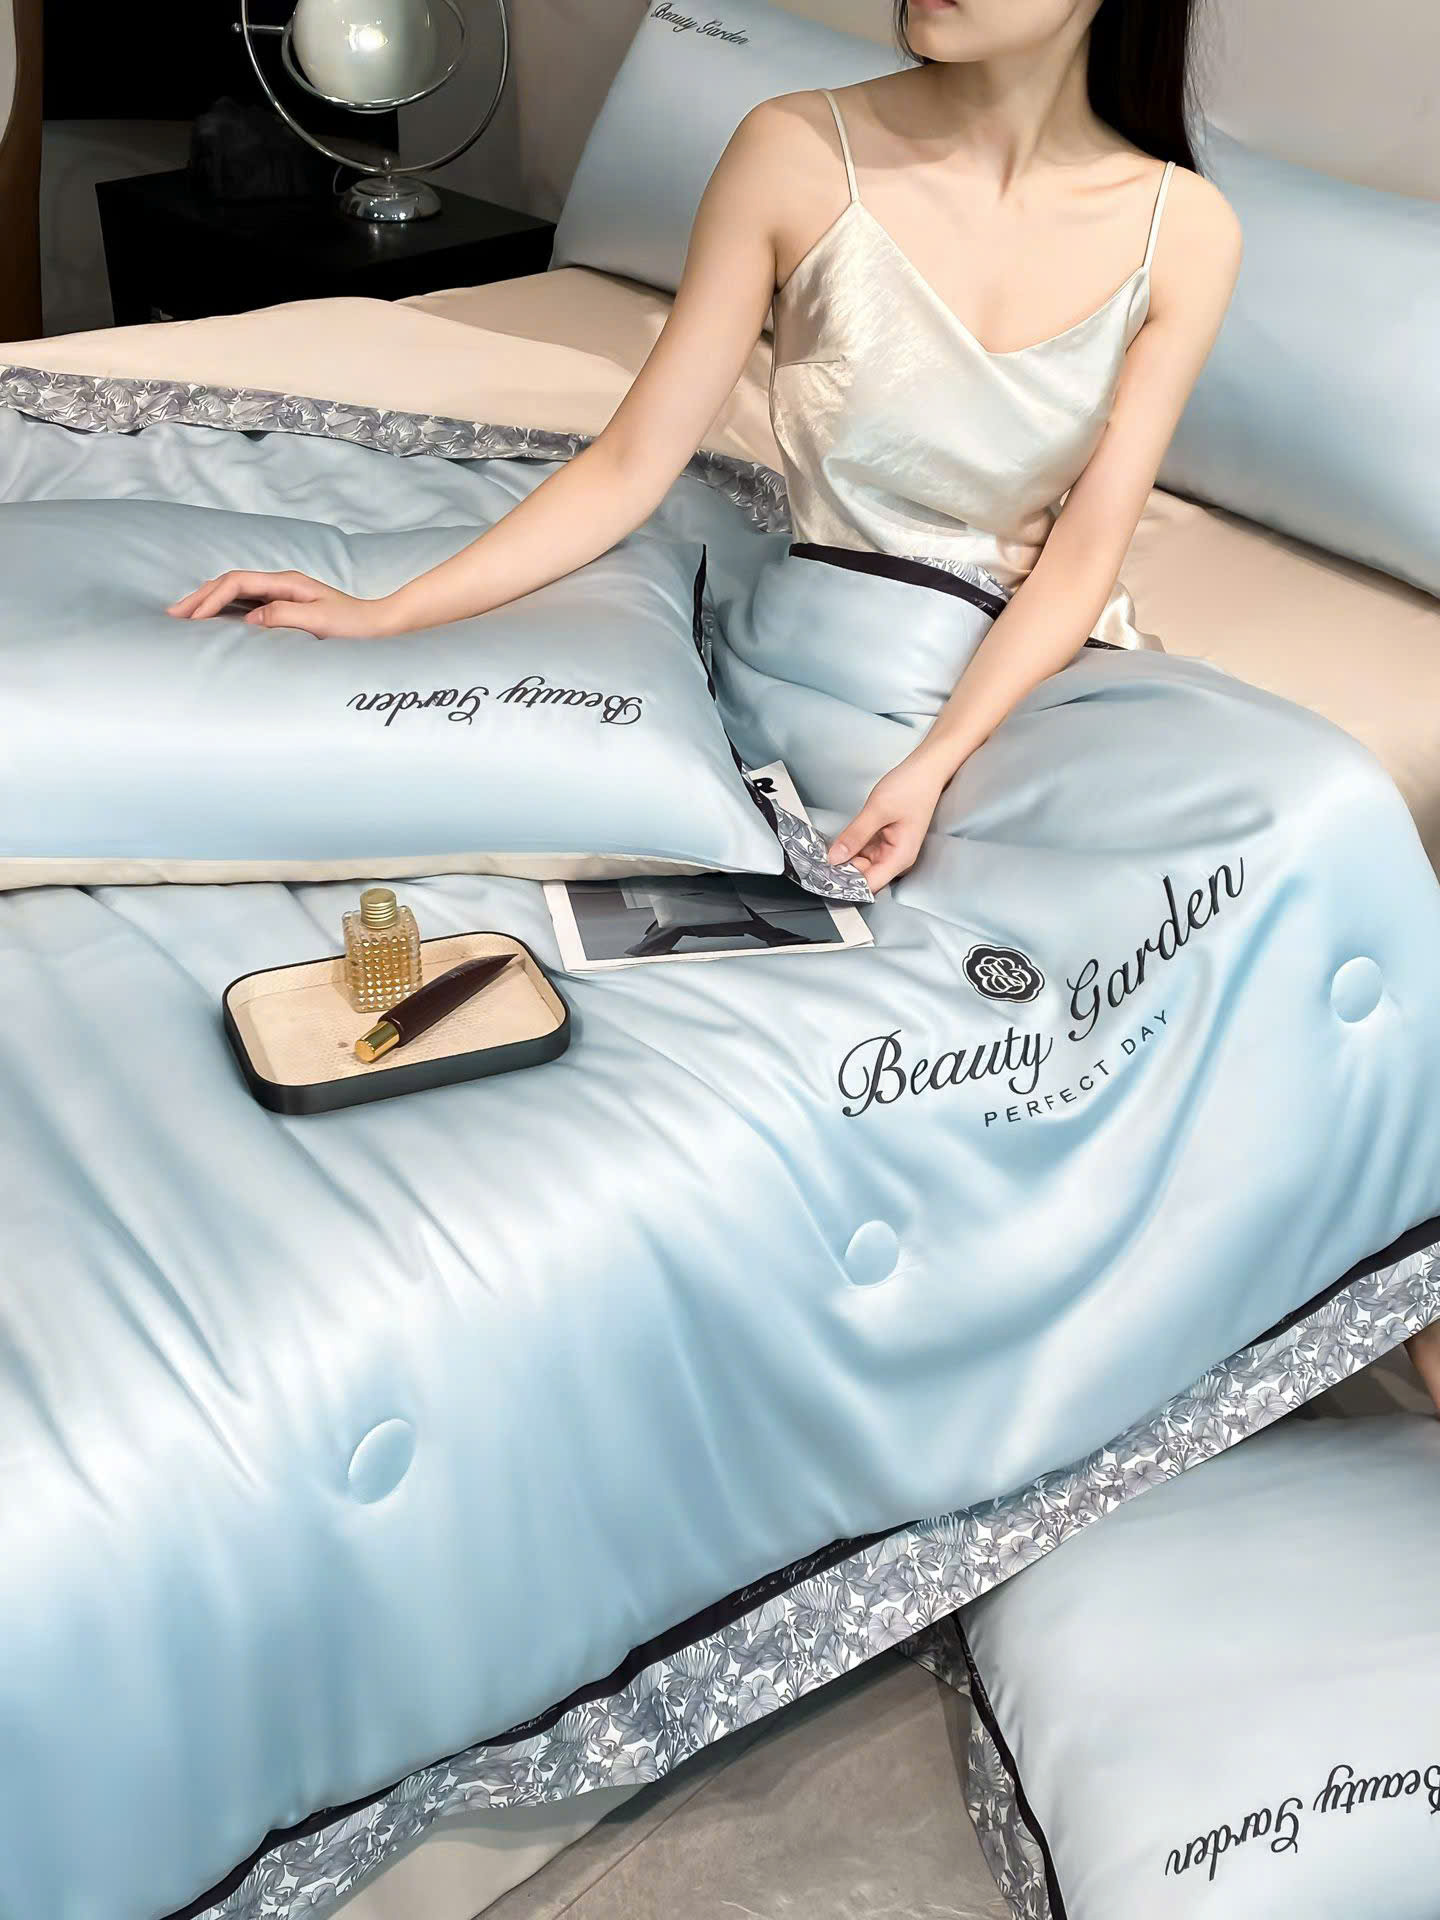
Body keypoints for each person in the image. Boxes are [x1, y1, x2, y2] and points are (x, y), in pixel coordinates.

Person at [163, 1, 1440, 1402]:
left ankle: (1394, 1296)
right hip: (817, 652)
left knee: (1324, 805)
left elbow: (1083, 556)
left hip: (1017, 682)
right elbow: (634, 461)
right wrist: (390, 610)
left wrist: (939, 762)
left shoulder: (1183, 228)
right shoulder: (793, 150)